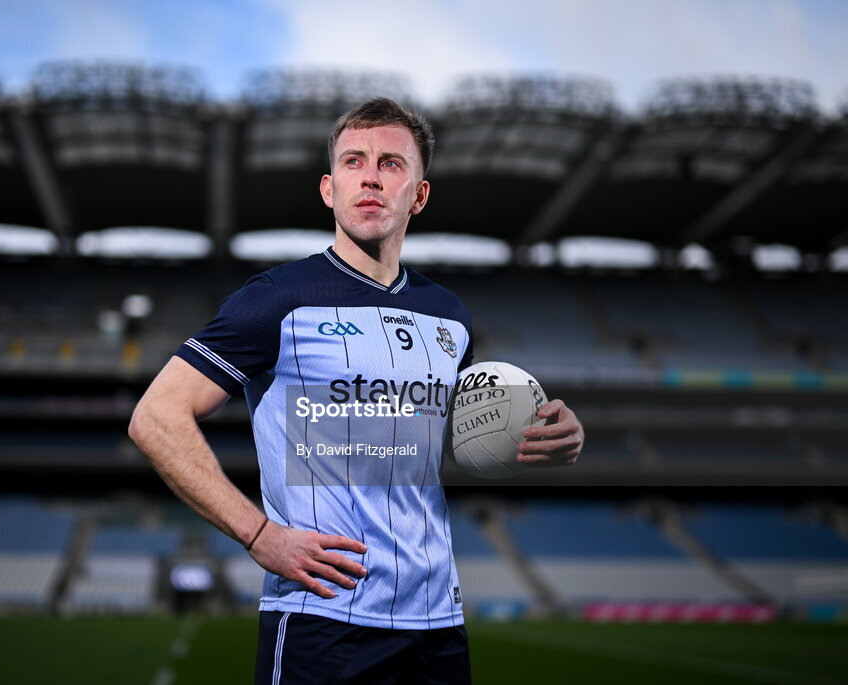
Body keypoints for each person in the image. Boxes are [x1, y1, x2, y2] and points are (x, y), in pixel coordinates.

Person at [128, 97, 584, 683]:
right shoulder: (278, 299)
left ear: (418, 195)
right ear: (329, 188)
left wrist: (541, 439)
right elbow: (156, 416)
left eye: (391, 163)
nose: (370, 175)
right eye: (353, 161)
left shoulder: (450, 317)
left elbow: (441, 444)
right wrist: (259, 533)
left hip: (438, 623)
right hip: (324, 620)